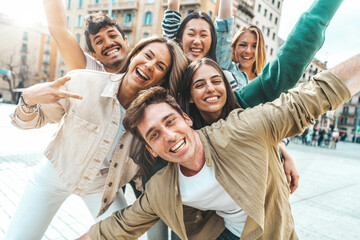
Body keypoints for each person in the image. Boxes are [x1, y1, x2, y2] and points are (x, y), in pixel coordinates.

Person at [78, 52, 360, 239]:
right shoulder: (162, 188)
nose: (169, 136)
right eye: (154, 135)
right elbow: (117, 227)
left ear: (186, 118)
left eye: (170, 122)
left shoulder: (242, 128)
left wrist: (280, 149)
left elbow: (314, 95)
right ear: (151, 149)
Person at [6, 36, 188, 240]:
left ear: (162, 79)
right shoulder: (84, 82)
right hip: (54, 174)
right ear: (135, 54)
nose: (149, 65)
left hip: (101, 188)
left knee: (121, 236)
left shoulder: (153, 118)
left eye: (160, 66)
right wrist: (28, 100)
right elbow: (25, 122)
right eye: (147, 55)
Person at [177, 58, 298, 193]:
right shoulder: (186, 134)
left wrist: (281, 150)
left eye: (216, 81)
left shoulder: (244, 107)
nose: (210, 89)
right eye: (199, 85)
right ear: (190, 97)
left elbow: (284, 68)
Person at [43, 0, 128, 72]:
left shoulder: (140, 68)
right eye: (99, 41)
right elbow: (59, 31)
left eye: (112, 36)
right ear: (94, 55)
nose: (108, 43)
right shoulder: (93, 71)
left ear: (126, 41)